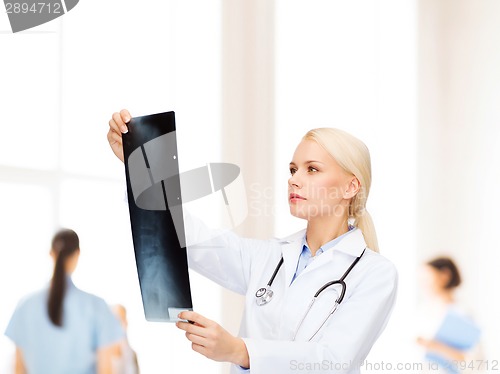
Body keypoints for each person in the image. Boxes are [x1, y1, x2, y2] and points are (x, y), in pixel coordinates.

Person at [107, 109, 398, 373]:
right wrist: (138, 168)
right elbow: (191, 237)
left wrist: (239, 350)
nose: (294, 180)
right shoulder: (268, 256)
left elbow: (334, 360)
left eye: (312, 169)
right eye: (293, 169)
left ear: (351, 186)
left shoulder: (375, 274)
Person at [4, 229, 124, 374]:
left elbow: (18, 369)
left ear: (51, 254)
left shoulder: (25, 306)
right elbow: (105, 370)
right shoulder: (96, 306)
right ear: (78, 254)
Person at [416, 257, 482, 374]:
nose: (423, 284)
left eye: (427, 278)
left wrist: (436, 346)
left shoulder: (462, 313)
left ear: (445, 275)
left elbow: (476, 362)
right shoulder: (423, 310)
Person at [110, 304, 140, 374]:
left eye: (124, 318)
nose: (125, 322)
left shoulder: (132, 354)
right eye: (119, 319)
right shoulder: (101, 357)